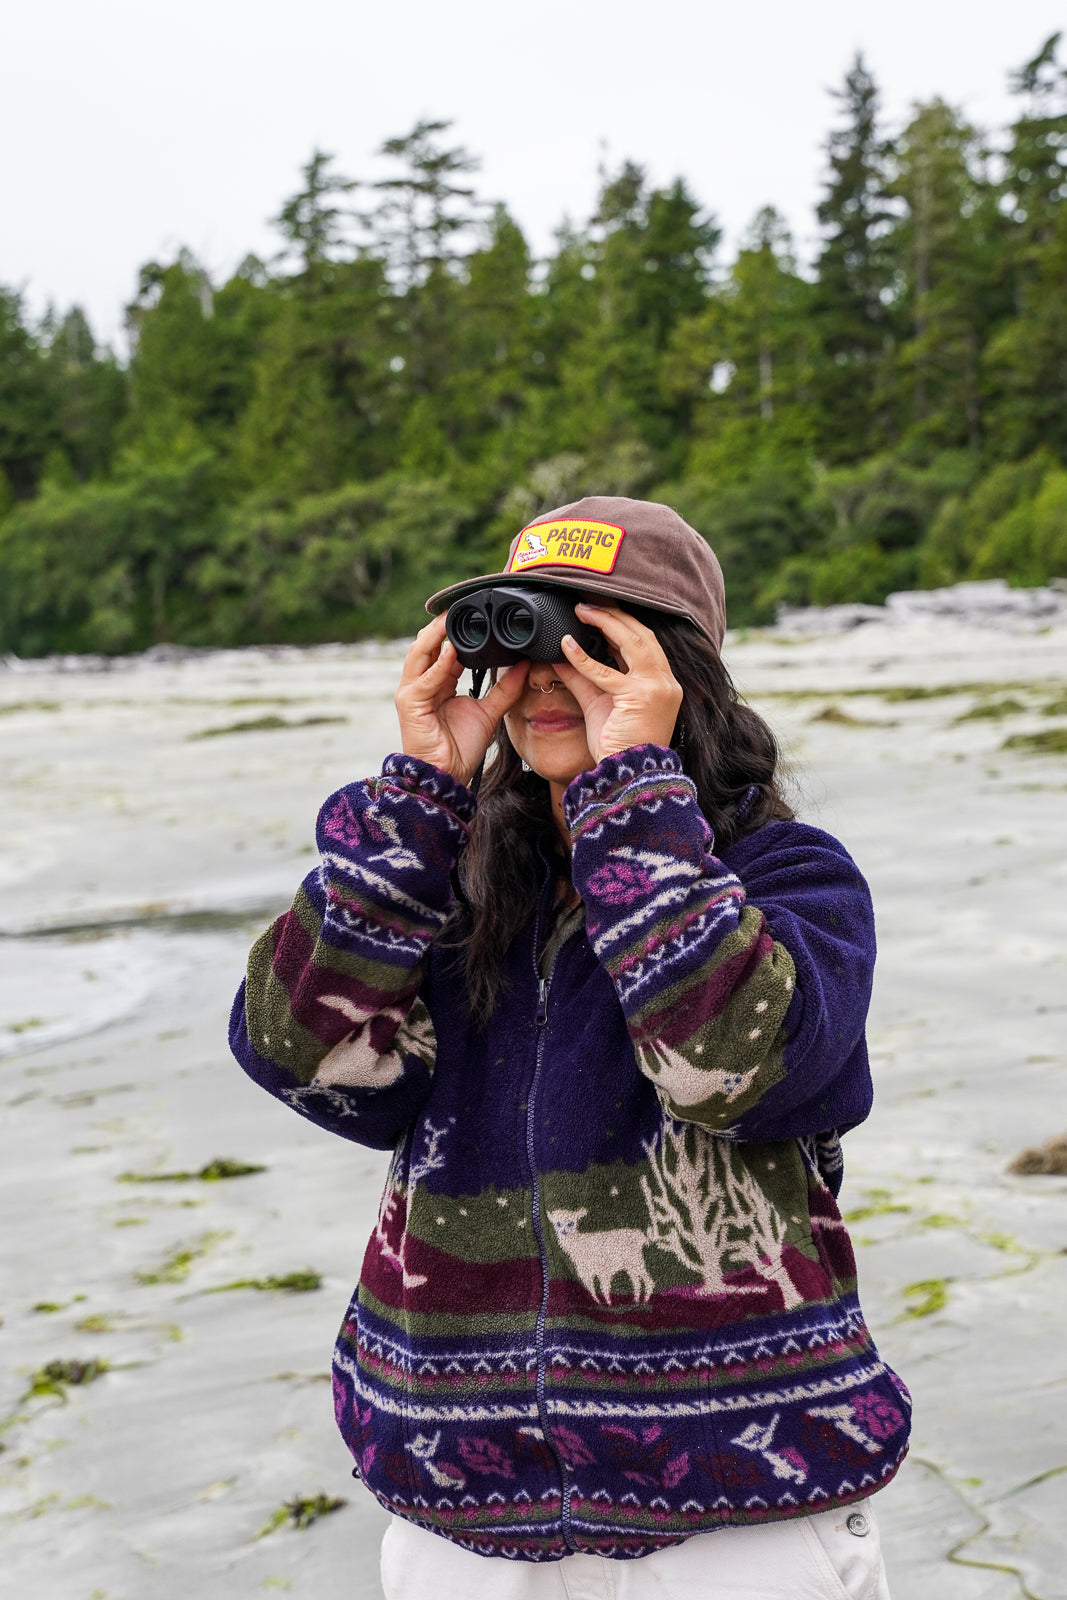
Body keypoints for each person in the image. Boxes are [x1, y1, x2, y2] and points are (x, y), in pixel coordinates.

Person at [230, 497, 909, 1599]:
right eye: (522, 638)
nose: (544, 675)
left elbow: (728, 1065)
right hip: (464, 1510)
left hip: (740, 1504)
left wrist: (628, 793)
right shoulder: (445, 890)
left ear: (671, 669)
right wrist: (417, 803)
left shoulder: (791, 878)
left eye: (589, 643)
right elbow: (297, 1048)